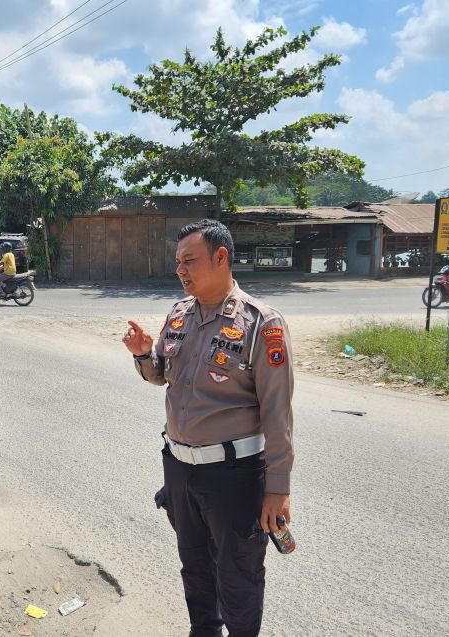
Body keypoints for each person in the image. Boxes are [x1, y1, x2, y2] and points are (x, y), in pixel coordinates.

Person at [122, 219, 294, 637]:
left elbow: (278, 414)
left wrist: (278, 489)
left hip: (234, 475)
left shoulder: (261, 323)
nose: (181, 270)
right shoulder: (178, 315)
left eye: (190, 261)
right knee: (195, 568)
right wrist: (144, 355)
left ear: (221, 257)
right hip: (180, 467)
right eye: (178, 262)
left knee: (238, 576)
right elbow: (160, 376)